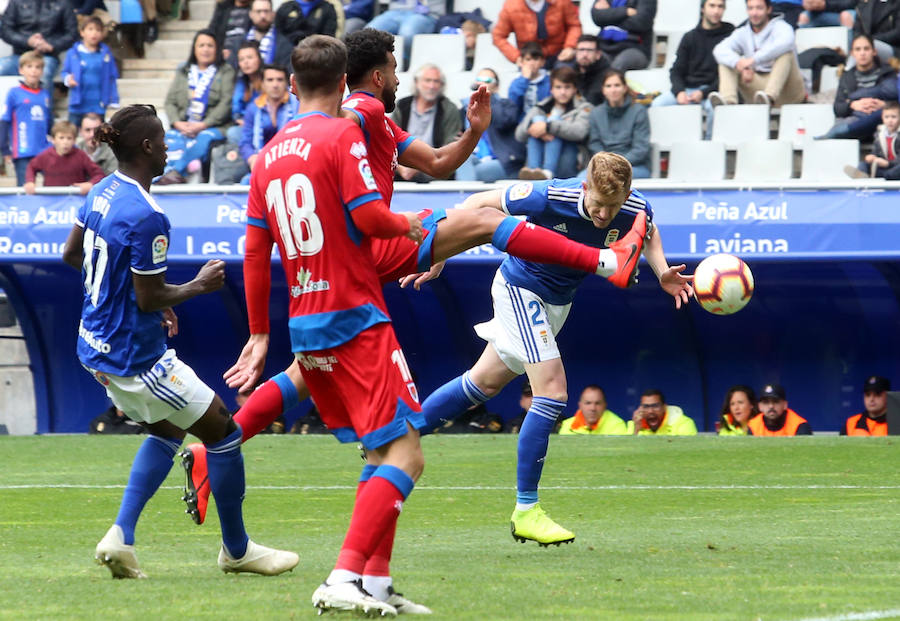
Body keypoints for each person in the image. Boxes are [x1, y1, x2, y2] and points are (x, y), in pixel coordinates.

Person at [180, 29, 655, 562]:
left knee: (307, 375)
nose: (402, 78)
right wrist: (405, 227)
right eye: (394, 68)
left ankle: (213, 451)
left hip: (341, 261)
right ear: (375, 75)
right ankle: (603, 261)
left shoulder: (357, 123)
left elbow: (436, 164)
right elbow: (347, 137)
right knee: (482, 219)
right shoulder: (358, 110)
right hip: (370, 241)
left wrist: (474, 133)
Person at [59, 104, 299, 580]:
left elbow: (73, 255)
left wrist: (142, 299)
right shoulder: (148, 216)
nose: (170, 148)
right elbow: (149, 296)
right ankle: (237, 550)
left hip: (95, 345)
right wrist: (197, 286)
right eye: (164, 140)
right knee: (224, 433)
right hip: (136, 356)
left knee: (168, 430)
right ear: (146, 147)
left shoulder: (102, 191)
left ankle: (120, 537)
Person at [236, 35, 427, 616]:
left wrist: (259, 333)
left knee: (380, 451)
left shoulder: (266, 155)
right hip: (355, 315)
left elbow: (253, 250)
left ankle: (375, 583)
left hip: (305, 323)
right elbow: (367, 215)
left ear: (291, 85)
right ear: (345, 85)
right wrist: (408, 225)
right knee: (408, 456)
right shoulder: (343, 133)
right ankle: (343, 577)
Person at [412, 152, 693, 546]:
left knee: (483, 383)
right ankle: (527, 509)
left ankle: (398, 433)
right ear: (584, 187)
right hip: (520, 289)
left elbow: (647, 229)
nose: (603, 214)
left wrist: (662, 270)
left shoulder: (632, 205)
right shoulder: (548, 196)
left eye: (612, 207)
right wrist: (439, 255)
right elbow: (476, 205)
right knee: (553, 392)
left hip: (556, 304)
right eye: (597, 203)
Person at [157, 30, 236, 184]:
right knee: (169, 139)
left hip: (213, 127)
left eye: (210, 46)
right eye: (201, 45)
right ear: (194, 49)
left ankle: (176, 173)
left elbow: (226, 103)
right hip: (184, 125)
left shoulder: (226, 71)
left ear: (217, 49)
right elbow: (169, 102)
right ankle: (165, 173)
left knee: (203, 138)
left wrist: (202, 125)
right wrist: (177, 123)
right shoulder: (184, 71)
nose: (205, 49)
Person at [652, 0, 734, 139]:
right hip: (687, 90)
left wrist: (703, 92)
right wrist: (679, 92)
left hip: (713, 91)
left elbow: (728, 74)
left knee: (715, 109)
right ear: (703, 8)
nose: (716, 11)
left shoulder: (730, 35)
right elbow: (676, 70)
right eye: (712, 6)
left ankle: (710, 148)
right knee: (657, 104)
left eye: (720, 6)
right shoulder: (690, 37)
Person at [710, 0, 806, 107]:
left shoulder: (781, 27)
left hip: (789, 90)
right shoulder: (742, 32)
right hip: (759, 90)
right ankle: (728, 103)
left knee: (786, 53)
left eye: (759, 8)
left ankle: (769, 97)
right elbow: (719, 50)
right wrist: (739, 64)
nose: (754, 13)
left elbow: (786, 42)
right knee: (727, 62)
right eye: (751, 8)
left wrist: (753, 60)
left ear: (768, 9)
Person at [516, 64, 591, 180]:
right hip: (539, 157)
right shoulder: (540, 107)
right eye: (558, 87)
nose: (562, 92)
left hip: (571, 161)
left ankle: (547, 172)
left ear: (574, 89)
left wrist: (548, 127)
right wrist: (535, 128)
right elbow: (519, 135)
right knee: (537, 121)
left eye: (567, 87)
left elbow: (580, 132)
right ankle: (534, 172)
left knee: (553, 121)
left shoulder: (584, 107)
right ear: (551, 89)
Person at [391, 63, 462, 182]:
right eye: (427, 81)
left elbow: (450, 146)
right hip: (402, 167)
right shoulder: (402, 106)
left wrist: (419, 165)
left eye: (436, 81)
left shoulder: (449, 109)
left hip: (434, 170)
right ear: (417, 83)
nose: (432, 86)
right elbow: (390, 140)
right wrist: (401, 168)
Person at [818, 34, 896, 140]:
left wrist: (885, 105)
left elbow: (896, 97)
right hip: (855, 118)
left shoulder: (888, 72)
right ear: (852, 53)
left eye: (866, 49)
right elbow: (838, 107)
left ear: (874, 52)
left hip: (884, 120)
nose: (862, 53)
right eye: (858, 49)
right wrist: (852, 105)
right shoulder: (846, 76)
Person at [456, 69, 527, 182]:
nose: (482, 83)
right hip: (476, 156)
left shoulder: (506, 105)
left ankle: (464, 197)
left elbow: (503, 122)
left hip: (503, 160)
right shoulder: (466, 108)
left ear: (497, 86)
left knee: (472, 173)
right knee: (461, 160)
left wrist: (487, 99)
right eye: (479, 80)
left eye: (487, 80)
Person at [235, 64, 297, 183]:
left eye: (279, 80)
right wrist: (252, 158)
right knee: (246, 182)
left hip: (291, 161)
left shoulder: (297, 103)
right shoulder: (253, 108)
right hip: (262, 162)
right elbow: (245, 143)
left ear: (286, 83)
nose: (275, 84)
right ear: (262, 84)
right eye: (270, 80)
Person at [0, 0, 78, 93]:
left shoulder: (63, 3)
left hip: (47, 56)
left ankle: (43, 105)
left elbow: (72, 34)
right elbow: (5, 31)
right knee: (2, 68)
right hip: (19, 56)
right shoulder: (17, 2)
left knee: (43, 73)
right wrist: (27, 41)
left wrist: (51, 45)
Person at [587, 69, 650, 178]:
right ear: (603, 90)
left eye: (617, 85)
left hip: (633, 167)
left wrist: (618, 165)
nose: (613, 90)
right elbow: (594, 144)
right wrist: (606, 164)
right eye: (608, 86)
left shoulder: (639, 111)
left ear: (625, 88)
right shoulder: (595, 113)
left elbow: (641, 148)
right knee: (580, 179)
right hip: (603, 167)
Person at [0, 51, 52, 186]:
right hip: (23, 150)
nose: (33, 71)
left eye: (37, 67)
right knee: (25, 188)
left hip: (44, 150)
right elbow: (5, 121)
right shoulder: (14, 93)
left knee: (52, 185)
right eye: (29, 67)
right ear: (21, 70)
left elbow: (49, 121)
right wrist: (5, 149)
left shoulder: (45, 94)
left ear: (42, 71)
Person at [61, 16, 120, 129]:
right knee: (72, 132)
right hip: (78, 102)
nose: (94, 33)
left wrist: (114, 99)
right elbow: (65, 72)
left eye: (98, 30)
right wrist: (68, 79)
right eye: (90, 29)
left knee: (98, 135)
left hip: (98, 102)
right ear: (82, 32)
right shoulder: (73, 53)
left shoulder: (105, 53)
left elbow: (112, 76)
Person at [24, 120, 105, 194]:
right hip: (50, 201)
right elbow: (31, 167)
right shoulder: (45, 155)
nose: (65, 142)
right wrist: (30, 182)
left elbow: (99, 174)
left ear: (74, 140)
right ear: (53, 139)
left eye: (69, 138)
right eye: (61, 138)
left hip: (74, 201)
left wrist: (90, 184)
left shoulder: (81, 156)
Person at [491, 0, 581, 65]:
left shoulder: (561, 2)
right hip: (529, 56)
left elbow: (574, 25)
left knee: (565, 78)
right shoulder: (511, 6)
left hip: (560, 53)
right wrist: (516, 56)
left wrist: (570, 47)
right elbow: (498, 36)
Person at [365, 0, 447, 67]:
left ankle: (407, 66)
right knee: (368, 33)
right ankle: (372, 67)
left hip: (426, 13)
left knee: (407, 34)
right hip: (395, 11)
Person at [590, 0, 657, 72]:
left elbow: (642, 22)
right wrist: (625, 11)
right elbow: (597, 17)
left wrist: (608, 18)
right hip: (604, 46)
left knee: (618, 66)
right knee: (589, 60)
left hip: (635, 48)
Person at [846, 100, 900, 178]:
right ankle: (862, 178)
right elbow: (876, 151)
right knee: (863, 164)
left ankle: (881, 176)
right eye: (887, 117)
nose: (890, 120)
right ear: (882, 118)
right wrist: (872, 156)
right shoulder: (880, 134)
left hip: (895, 166)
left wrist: (888, 163)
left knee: (895, 171)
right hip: (885, 166)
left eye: (893, 117)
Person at [228, 41, 265, 145]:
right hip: (246, 126)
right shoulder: (240, 82)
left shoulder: (268, 79)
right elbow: (236, 110)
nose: (246, 62)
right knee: (233, 133)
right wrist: (239, 119)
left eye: (250, 57)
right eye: (242, 59)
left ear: (259, 59)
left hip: (265, 125)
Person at [508, 42, 552, 120]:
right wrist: (524, 79)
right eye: (528, 59)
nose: (531, 63)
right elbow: (512, 105)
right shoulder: (516, 83)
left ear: (542, 62)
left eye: (536, 59)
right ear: (521, 62)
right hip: (521, 126)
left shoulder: (549, 81)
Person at [558, 385, 627, 434]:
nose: (592, 408)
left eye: (597, 403)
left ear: (605, 405)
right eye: (588, 403)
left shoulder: (617, 425)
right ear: (580, 405)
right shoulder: (567, 425)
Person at [243, 0, 293, 67]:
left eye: (266, 11)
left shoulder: (284, 45)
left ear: (273, 14)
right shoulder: (239, 41)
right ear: (251, 14)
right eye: (258, 11)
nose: (263, 16)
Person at [747, 383, 812, 435]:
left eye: (775, 401)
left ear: (785, 405)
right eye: (766, 402)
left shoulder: (799, 426)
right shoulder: (753, 426)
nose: (771, 406)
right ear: (759, 406)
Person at [627, 389, 698, 435]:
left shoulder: (684, 424)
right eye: (646, 407)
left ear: (664, 407)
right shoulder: (634, 425)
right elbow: (627, 453)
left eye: (655, 406)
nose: (650, 411)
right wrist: (636, 430)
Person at [852, 0, 900, 66]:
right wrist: (863, 40)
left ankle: (847, 73)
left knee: (864, 48)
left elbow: (897, 33)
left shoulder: (897, 4)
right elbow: (857, 30)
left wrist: (871, 40)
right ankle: (848, 74)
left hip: (893, 47)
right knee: (858, 47)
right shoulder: (865, 4)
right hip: (868, 43)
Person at [573, 34, 611, 106]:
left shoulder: (607, 76)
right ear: (576, 53)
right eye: (581, 50)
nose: (584, 54)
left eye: (589, 50)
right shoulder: (570, 73)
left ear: (598, 54)